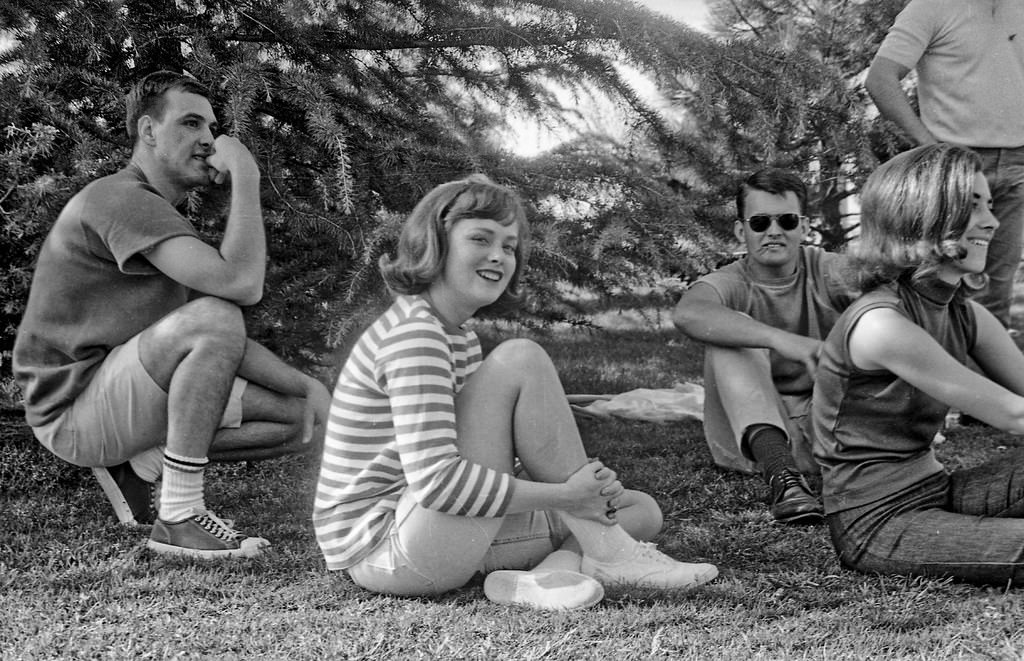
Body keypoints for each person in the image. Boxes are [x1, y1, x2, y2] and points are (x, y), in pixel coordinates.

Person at [312, 175, 719, 610]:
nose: (498, 256)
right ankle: (612, 555)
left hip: (431, 535)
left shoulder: (455, 335)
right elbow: (437, 484)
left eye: (508, 246)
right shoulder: (416, 336)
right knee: (520, 357)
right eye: (480, 238)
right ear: (435, 243)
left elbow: (480, 450)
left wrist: (585, 488)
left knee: (639, 509)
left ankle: (546, 576)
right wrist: (567, 496)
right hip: (391, 549)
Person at [13, 71, 331, 559]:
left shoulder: (159, 212)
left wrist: (308, 388)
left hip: (124, 391)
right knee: (217, 311)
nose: (208, 140)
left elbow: (220, 344)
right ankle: (179, 516)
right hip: (72, 410)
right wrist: (246, 177)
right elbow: (240, 288)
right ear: (147, 132)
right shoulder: (121, 199)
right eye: (189, 124)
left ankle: (141, 465)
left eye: (210, 126)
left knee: (296, 418)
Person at [811, 143, 1024, 585]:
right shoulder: (881, 324)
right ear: (926, 215)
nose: (992, 220)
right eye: (972, 206)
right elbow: (1012, 413)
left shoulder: (964, 312)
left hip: (937, 491)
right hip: (877, 523)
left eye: (989, 204)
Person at [672, 169, 854, 524]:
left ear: (803, 226)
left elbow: (888, 287)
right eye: (759, 222)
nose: (774, 231)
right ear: (742, 231)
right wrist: (779, 339)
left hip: (826, 430)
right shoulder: (731, 280)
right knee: (730, 335)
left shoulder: (828, 269)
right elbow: (689, 312)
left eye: (786, 220)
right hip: (752, 443)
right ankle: (783, 479)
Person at [865, 0, 1024, 329]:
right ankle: (927, 372)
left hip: (1017, 166)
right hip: (953, 172)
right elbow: (880, 80)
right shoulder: (930, 7)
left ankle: (987, 379)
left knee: (994, 292)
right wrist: (931, 149)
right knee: (933, 284)